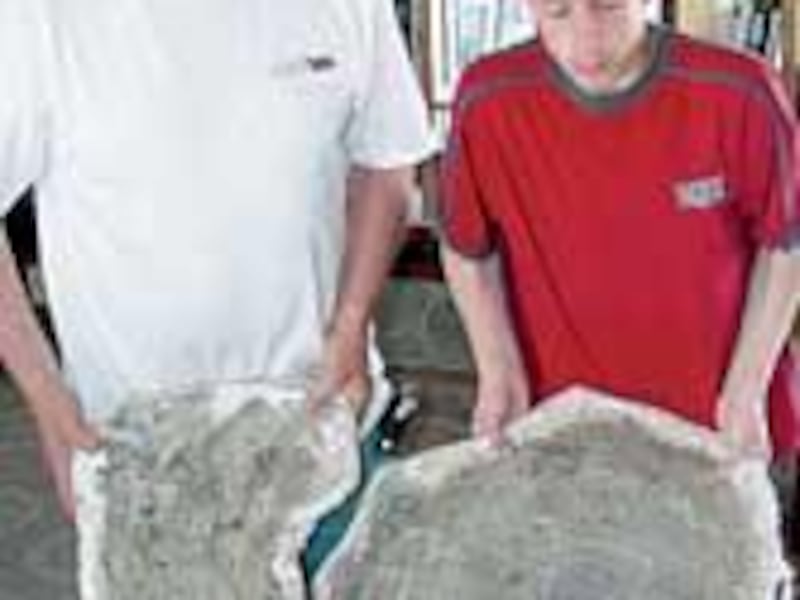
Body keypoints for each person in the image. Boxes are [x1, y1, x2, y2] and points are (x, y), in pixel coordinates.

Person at [0, 0, 432, 526]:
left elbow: (387, 165)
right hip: (144, 457)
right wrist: (52, 405)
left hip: (323, 426)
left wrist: (353, 316)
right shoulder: (40, 16)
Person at [438, 0, 799, 459]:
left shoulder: (739, 91)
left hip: (716, 426)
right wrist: (498, 368)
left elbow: (785, 243)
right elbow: (468, 249)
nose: (587, 43)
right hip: (557, 427)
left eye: (607, 6)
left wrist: (747, 389)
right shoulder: (487, 100)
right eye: (558, 12)